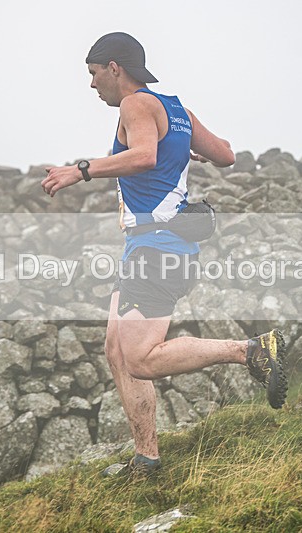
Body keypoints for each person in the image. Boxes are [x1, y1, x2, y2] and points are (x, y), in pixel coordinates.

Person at [41, 32, 287, 477]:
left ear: (115, 68)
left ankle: (251, 350)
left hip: (158, 247)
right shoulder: (176, 109)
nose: (92, 85)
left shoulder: (134, 105)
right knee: (116, 349)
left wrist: (81, 170)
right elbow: (227, 155)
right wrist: (186, 149)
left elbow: (143, 157)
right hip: (154, 246)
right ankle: (146, 458)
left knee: (140, 357)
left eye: (94, 74)